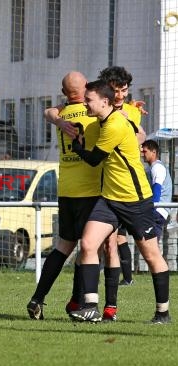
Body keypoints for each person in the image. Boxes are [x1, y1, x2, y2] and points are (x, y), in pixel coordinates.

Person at [69, 79, 170, 324]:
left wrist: (77, 147)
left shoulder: (114, 124)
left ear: (104, 101)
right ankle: (91, 306)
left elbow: (94, 159)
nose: (85, 103)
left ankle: (163, 313)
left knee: (151, 255)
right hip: (110, 199)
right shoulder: (103, 120)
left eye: (89, 100)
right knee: (88, 244)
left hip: (136, 200)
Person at [26, 71, 103, 320]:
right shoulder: (93, 114)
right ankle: (80, 303)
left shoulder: (61, 115)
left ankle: (38, 298)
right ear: (88, 89)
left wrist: (57, 119)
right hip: (90, 189)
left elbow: (50, 111)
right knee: (91, 249)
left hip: (66, 189)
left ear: (64, 93)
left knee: (63, 245)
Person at [98, 66, 147, 288]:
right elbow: (52, 111)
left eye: (123, 90)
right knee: (106, 243)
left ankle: (128, 280)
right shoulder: (97, 108)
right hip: (104, 188)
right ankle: (101, 298)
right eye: (115, 90)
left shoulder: (132, 111)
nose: (119, 95)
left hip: (131, 189)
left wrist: (129, 125)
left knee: (139, 244)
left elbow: (138, 138)